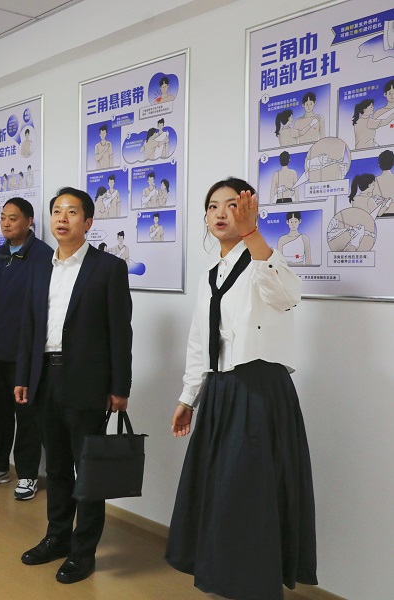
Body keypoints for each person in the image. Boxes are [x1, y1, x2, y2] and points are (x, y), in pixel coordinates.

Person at [166, 177, 317, 599]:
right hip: (220, 392)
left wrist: (253, 237)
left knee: (250, 492)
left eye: (232, 205)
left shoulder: (264, 260)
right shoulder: (209, 275)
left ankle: (255, 585)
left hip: (258, 391)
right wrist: (188, 397)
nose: (221, 213)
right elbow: (200, 341)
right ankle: (224, 580)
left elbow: (287, 295)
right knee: (221, 490)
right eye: (213, 206)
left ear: (249, 212)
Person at [14, 186, 132, 585]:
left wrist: (120, 387)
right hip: (44, 377)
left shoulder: (107, 268)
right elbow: (29, 327)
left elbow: (121, 332)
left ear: (88, 221)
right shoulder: (39, 267)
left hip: (87, 381)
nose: (62, 219)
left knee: (89, 470)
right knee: (57, 466)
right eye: (57, 212)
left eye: (72, 212)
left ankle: (84, 552)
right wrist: (23, 376)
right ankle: (57, 537)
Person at [0, 198, 51, 500]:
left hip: (24, 354)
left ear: (29, 221)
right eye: (3, 217)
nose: (6, 223)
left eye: (13, 218)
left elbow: (40, 310)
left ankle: (28, 474)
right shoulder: (0, 254)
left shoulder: (42, 256)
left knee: (27, 417)